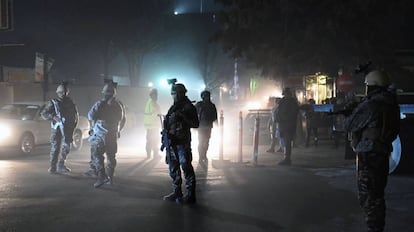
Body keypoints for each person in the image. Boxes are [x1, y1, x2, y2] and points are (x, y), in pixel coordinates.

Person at [344, 70, 400, 232]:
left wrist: (349, 112)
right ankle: (377, 226)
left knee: (369, 197)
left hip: (369, 154)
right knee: (377, 194)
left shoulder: (372, 105)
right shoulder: (390, 103)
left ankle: (374, 227)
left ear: (373, 87)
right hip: (381, 152)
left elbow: (349, 125)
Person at [162, 83, 199, 204]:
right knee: (173, 168)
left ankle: (190, 195)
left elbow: (195, 124)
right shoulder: (174, 107)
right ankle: (177, 192)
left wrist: (183, 116)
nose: (174, 96)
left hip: (182, 143)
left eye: (175, 93)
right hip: (172, 142)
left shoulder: (188, 107)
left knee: (186, 167)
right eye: (173, 94)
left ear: (181, 94)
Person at [87, 81, 126, 188]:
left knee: (96, 155)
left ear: (104, 93)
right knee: (111, 157)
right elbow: (122, 120)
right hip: (112, 135)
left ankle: (101, 176)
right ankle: (110, 178)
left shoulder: (100, 104)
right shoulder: (119, 105)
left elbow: (90, 115)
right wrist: (117, 131)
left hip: (100, 135)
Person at [41, 81, 79, 173]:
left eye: (64, 92)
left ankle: (61, 165)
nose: (63, 94)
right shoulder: (53, 103)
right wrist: (53, 117)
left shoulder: (70, 103)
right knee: (55, 147)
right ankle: (53, 166)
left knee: (66, 147)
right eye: (61, 92)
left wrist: (74, 126)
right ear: (58, 93)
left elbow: (75, 115)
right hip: (57, 129)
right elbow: (43, 113)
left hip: (68, 129)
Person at [276, 87, 299, 165]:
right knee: (285, 142)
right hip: (284, 124)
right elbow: (279, 112)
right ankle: (286, 158)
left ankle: (287, 158)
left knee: (287, 142)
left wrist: (283, 119)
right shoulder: (284, 101)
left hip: (288, 125)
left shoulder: (291, 101)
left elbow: (293, 113)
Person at [195, 90, 217, 163]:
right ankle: (201, 156)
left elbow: (215, 117)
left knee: (205, 142)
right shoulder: (199, 105)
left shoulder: (211, 106)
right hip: (201, 127)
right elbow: (194, 114)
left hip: (207, 127)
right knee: (201, 142)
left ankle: (203, 155)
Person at [144, 88, 161, 159]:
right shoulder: (153, 103)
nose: (156, 96)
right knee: (155, 140)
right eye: (155, 94)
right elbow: (155, 113)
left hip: (149, 125)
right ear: (153, 95)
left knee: (149, 140)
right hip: (154, 125)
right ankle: (155, 154)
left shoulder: (149, 102)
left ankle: (148, 155)